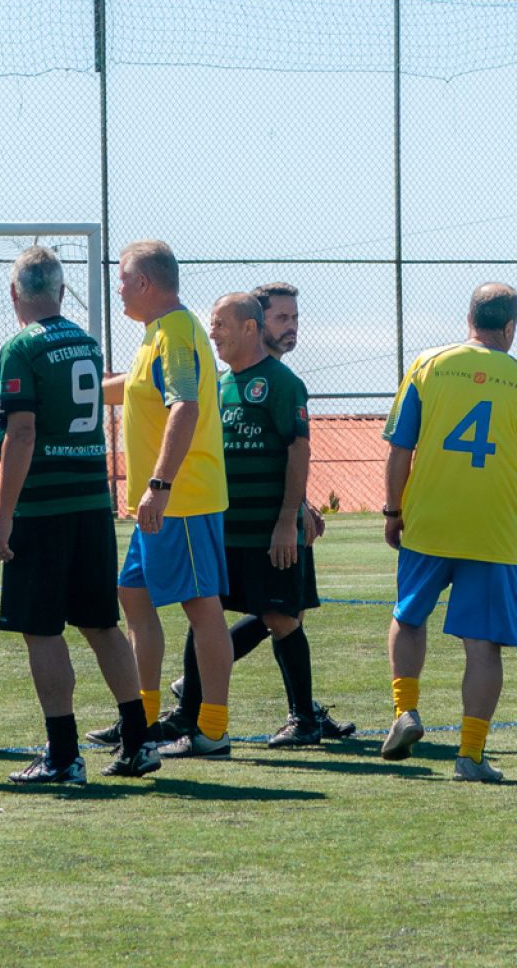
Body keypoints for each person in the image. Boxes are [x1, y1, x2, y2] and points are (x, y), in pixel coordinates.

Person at [0, 246, 159, 783]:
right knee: (102, 625)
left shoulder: (21, 346)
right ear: (62, 292)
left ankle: (64, 755)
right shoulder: (85, 344)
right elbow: (56, 403)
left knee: (41, 630)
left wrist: (2, 516)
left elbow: (22, 432)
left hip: (43, 508)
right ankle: (139, 741)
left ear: (14, 293)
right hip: (92, 505)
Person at [167, 282, 355, 741]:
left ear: (247, 328)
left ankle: (303, 718)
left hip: (268, 530)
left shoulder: (283, 383)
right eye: (283, 318)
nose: (291, 328)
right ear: (259, 322)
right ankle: (189, 707)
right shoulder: (218, 383)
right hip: (223, 526)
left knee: (282, 616)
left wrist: (290, 516)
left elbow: (296, 450)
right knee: (209, 611)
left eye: (295, 319)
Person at [86, 240, 234, 758]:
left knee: (201, 608)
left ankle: (212, 729)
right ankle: (141, 719)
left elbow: (185, 408)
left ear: (145, 283)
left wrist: (160, 485)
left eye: (123, 280)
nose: (118, 289)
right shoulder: (157, 333)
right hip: (161, 502)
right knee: (133, 596)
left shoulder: (175, 331)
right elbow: (126, 388)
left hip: (182, 499)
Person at [379, 282, 517, 783]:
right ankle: (471, 756)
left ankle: (405, 711)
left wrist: (393, 511)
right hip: (494, 530)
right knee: (483, 646)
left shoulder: (427, 364)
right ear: (509, 328)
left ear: (468, 319)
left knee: (409, 616)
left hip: (428, 521)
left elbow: (399, 449)